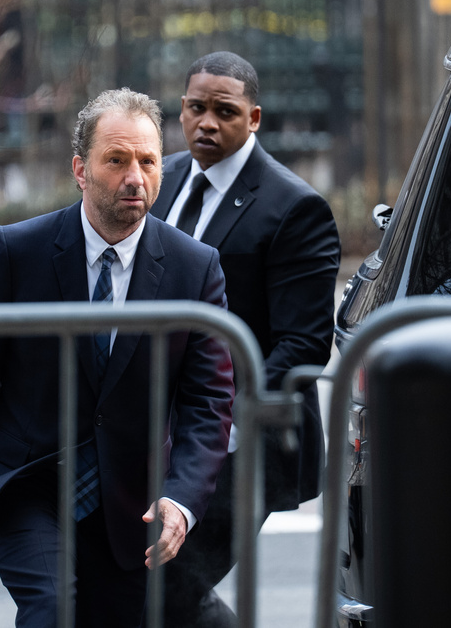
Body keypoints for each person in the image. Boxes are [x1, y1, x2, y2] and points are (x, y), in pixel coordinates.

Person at [0, 87, 234, 628]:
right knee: (53, 610)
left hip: (129, 501)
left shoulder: (195, 268)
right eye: (116, 160)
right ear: (80, 168)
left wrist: (182, 499)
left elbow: (208, 404)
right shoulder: (17, 251)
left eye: (147, 161)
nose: (134, 177)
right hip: (27, 484)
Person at [149, 51, 341, 626]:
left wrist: (217, 417)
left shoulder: (294, 207)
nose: (207, 122)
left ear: (253, 118)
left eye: (224, 111)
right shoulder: (163, 178)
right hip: (161, 429)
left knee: (170, 587)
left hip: (244, 441)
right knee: (148, 588)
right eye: (195, 108)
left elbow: (303, 344)